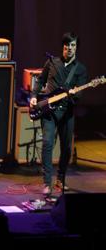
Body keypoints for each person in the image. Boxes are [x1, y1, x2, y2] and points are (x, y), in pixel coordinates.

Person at [30, 32, 88, 195]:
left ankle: (60, 179)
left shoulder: (80, 69)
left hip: (67, 111)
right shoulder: (52, 62)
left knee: (67, 148)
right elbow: (40, 81)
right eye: (67, 45)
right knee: (48, 143)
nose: (69, 48)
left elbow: (80, 95)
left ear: (76, 47)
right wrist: (34, 96)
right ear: (63, 46)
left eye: (73, 45)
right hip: (48, 110)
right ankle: (46, 182)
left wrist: (73, 94)